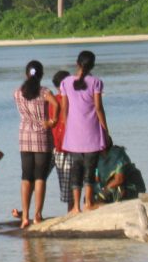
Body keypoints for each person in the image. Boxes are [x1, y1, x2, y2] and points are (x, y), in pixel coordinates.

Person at [59, 50, 111, 214]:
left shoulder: (65, 82)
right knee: (90, 170)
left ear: (77, 63)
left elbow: (65, 109)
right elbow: (99, 108)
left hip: (74, 135)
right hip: (92, 133)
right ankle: (88, 203)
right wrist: (106, 131)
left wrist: (68, 129)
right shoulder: (96, 82)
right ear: (92, 65)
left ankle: (75, 207)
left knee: (76, 170)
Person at [13, 60, 58, 228]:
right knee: (40, 177)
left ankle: (25, 216)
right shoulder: (45, 92)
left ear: (26, 74)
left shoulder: (17, 93)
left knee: (26, 177)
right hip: (41, 136)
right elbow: (57, 104)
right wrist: (52, 121)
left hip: (24, 136)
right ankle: (37, 215)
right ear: (41, 75)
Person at [49, 69, 76, 213]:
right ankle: (72, 211)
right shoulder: (70, 100)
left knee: (65, 183)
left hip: (55, 145)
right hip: (67, 146)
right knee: (69, 184)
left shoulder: (51, 101)